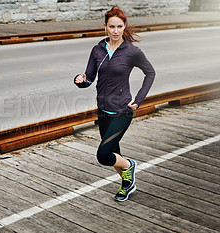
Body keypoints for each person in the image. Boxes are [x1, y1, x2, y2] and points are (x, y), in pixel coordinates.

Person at [74, 6, 155, 201]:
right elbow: (89, 78)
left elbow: (150, 73)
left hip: (122, 111)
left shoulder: (132, 52)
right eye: (112, 26)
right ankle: (127, 184)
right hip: (103, 111)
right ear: (105, 27)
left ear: (124, 26)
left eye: (119, 26)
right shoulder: (97, 50)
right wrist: (79, 80)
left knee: (104, 155)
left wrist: (139, 98)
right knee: (113, 155)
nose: (116, 31)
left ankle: (130, 166)